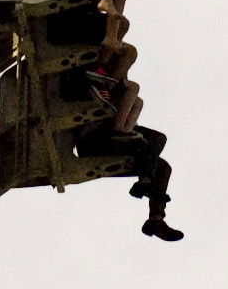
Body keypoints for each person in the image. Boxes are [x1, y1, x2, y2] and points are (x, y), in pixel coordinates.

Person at [76, 67, 181, 241]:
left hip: (108, 133)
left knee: (162, 167)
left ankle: (155, 217)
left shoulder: (108, 89)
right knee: (154, 141)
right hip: (97, 139)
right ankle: (145, 181)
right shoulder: (94, 86)